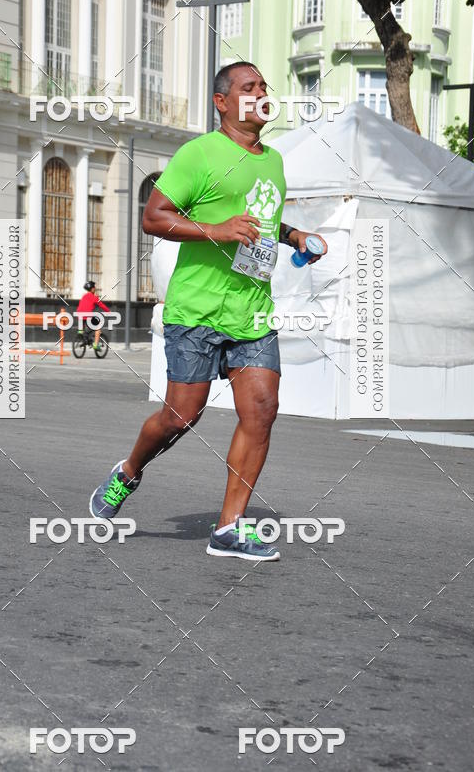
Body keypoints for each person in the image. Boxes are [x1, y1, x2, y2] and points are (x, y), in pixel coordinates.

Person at [89, 62, 327, 561]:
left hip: (252, 311)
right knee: (180, 416)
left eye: (264, 86)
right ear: (223, 102)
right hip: (196, 309)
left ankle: (229, 529)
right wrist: (216, 231)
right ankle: (129, 471)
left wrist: (294, 235)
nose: (261, 94)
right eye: (249, 88)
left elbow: (264, 218)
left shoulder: (275, 161)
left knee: (262, 411)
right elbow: (155, 217)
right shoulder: (198, 154)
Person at [76, 281, 110, 351]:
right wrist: (108, 311)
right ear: (92, 289)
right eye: (94, 288)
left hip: (79, 315)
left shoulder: (84, 296)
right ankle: (95, 345)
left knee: (83, 325)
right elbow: (101, 305)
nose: (95, 289)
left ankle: (81, 333)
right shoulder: (94, 297)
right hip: (88, 316)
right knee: (98, 326)